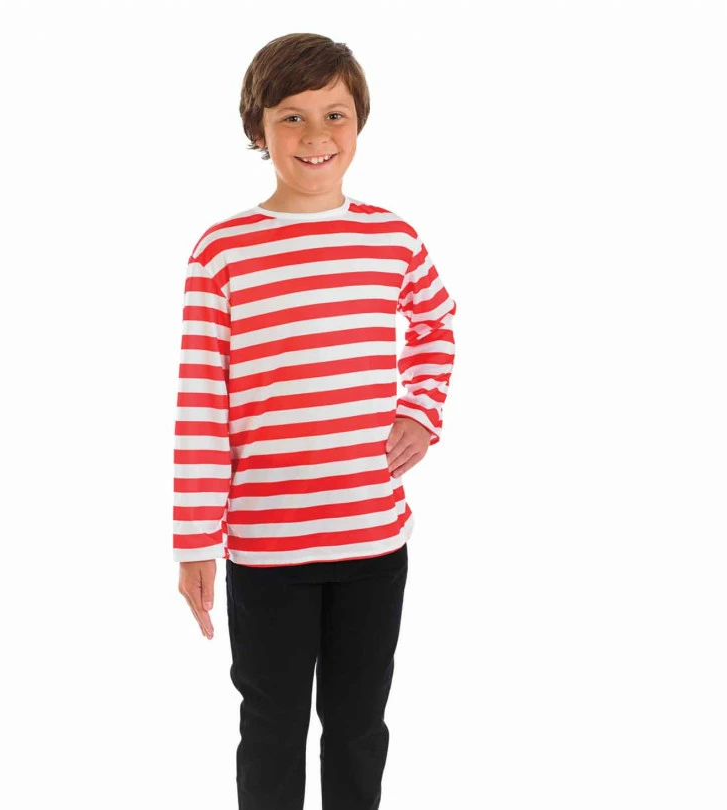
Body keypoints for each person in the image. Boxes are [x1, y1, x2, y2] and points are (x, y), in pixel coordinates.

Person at [174, 32, 457, 810]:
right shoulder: (223, 253)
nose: (315, 135)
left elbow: (436, 323)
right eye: (291, 117)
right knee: (271, 728)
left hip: (372, 540)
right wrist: (195, 540)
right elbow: (201, 402)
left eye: (334, 114)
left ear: (358, 122)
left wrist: (419, 412)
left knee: (358, 727)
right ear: (258, 129)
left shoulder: (391, 238)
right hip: (267, 547)